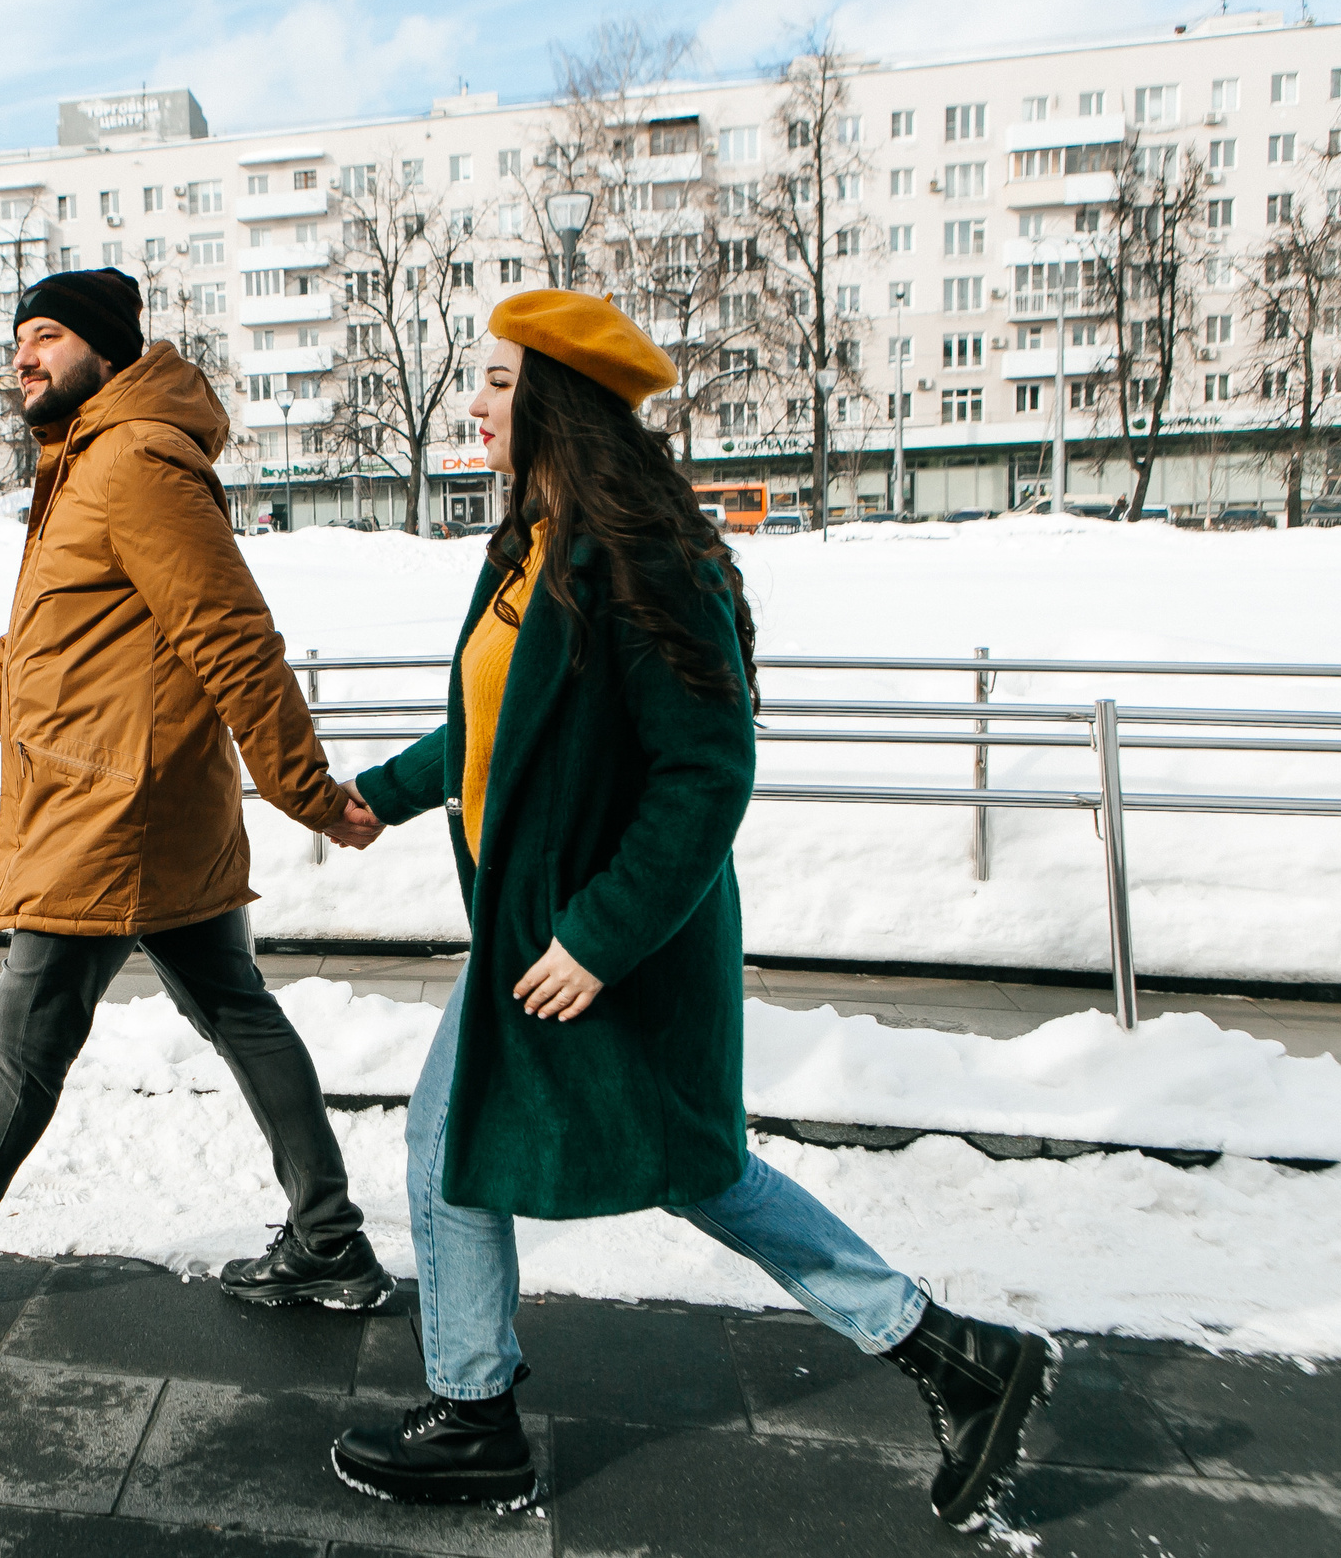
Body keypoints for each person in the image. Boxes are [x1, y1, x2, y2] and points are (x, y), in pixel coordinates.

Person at [327, 291, 1056, 1529]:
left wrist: (599, 936)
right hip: (533, 935)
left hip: (606, 945)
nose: (477, 404)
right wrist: (379, 799)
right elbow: (489, 730)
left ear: (557, 399)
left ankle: (942, 1352)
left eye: (500, 383)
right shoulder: (529, 548)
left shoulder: (642, 557)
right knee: (478, 1150)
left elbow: (706, 771)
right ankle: (480, 1407)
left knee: (670, 1165)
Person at [0, 269, 394, 1316]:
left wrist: (303, 787)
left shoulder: (133, 464)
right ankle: (329, 1240)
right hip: (131, 803)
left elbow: (229, 633)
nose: (23, 354)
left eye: (49, 333)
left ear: (106, 350)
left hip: (111, 816)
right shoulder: (85, 465)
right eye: (19, 336)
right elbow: (36, 642)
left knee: (28, 1042)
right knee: (238, 1012)